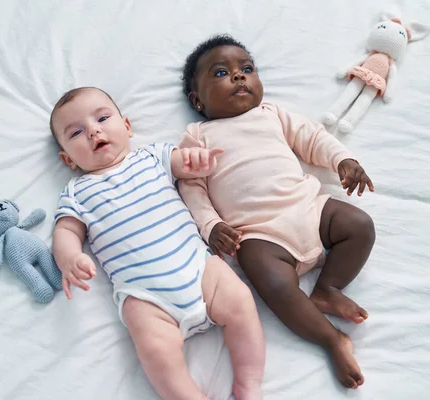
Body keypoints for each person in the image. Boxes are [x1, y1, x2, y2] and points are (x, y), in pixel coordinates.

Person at [178, 35, 376, 389]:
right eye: (221, 72)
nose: (239, 77)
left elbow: (312, 138)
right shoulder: (197, 135)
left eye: (247, 69)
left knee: (359, 224)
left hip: (309, 207)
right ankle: (332, 339)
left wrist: (343, 159)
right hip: (259, 233)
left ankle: (328, 288)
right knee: (269, 281)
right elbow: (191, 188)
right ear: (197, 100)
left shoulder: (271, 114)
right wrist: (211, 226)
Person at [50, 86, 265, 400]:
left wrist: (196, 159)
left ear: (126, 126)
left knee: (242, 302)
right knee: (154, 350)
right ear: (67, 158)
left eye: (102, 118)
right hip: (146, 296)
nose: (93, 130)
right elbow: (66, 232)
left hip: (198, 267)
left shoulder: (152, 156)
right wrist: (69, 258)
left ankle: (248, 384)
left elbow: (184, 163)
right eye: (77, 132)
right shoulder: (76, 193)